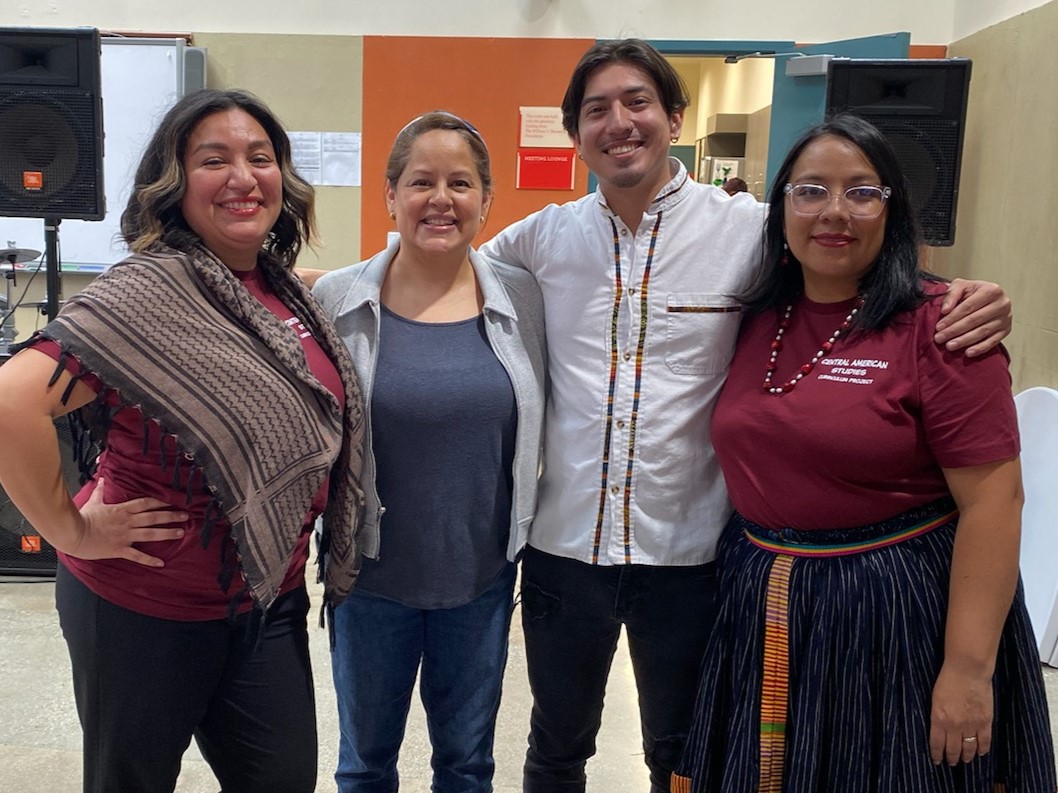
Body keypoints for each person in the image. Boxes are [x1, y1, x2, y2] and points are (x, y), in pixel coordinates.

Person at [478, 39, 1016, 793]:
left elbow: (850, 251)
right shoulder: (539, 239)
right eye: (596, 109)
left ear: (673, 115)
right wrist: (316, 290)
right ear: (576, 133)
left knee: (683, 746)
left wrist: (962, 294)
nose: (619, 122)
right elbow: (434, 270)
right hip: (566, 550)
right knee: (556, 743)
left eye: (637, 102)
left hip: (692, 555)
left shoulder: (751, 231)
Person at [671, 113, 1055, 793]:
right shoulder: (755, 313)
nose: (834, 212)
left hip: (898, 618)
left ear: (892, 208)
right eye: (811, 190)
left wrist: (968, 668)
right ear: (781, 207)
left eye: (862, 192)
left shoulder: (942, 327)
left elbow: (996, 503)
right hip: (762, 601)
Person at [0, 88, 365, 793]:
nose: (241, 175)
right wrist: (67, 528)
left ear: (281, 180)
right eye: (213, 159)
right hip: (142, 608)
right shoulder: (144, 294)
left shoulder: (281, 291)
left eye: (260, 157)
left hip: (266, 598)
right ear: (173, 182)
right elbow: (12, 401)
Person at [313, 111, 547, 793]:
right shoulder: (340, 298)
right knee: (364, 765)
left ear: (485, 200)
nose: (440, 199)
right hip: (371, 581)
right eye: (421, 181)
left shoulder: (521, 296)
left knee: (467, 766)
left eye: (460, 182)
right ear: (390, 196)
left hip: (481, 579)